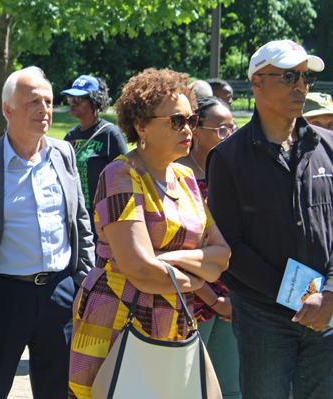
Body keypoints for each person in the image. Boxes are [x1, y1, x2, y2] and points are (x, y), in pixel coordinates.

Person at [68, 67, 231, 398]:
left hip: (175, 318)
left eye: (192, 120)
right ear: (141, 126)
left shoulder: (186, 179)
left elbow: (223, 254)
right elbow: (140, 269)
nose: (188, 129)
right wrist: (198, 278)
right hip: (115, 317)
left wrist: (171, 260)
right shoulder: (120, 176)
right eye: (176, 121)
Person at [0, 66, 95, 399]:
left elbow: (80, 223)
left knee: (58, 390)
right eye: (33, 101)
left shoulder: (64, 153)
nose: (44, 109)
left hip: (59, 293)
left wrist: (83, 283)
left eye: (47, 100)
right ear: (7, 110)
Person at [206, 39, 333, 398]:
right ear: (257, 82)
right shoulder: (228, 157)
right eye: (290, 76)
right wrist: (298, 298)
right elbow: (229, 244)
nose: (301, 86)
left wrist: (329, 294)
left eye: (307, 78)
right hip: (264, 317)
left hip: (328, 312)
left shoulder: (327, 146)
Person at [176, 96, 240, 399]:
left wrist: (231, 300)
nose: (230, 135)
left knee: (230, 390)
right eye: (222, 129)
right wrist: (213, 300)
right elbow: (179, 253)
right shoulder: (176, 177)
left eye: (233, 127)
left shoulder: (234, 175)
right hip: (189, 301)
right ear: (196, 130)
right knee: (188, 389)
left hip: (233, 299)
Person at [61, 75, 127, 246]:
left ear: (95, 103)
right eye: (71, 98)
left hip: (102, 222)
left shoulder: (110, 135)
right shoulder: (70, 136)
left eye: (79, 98)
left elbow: (124, 180)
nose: (73, 102)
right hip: (75, 218)